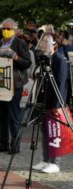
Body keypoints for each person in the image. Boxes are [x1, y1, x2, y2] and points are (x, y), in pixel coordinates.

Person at [0, 18, 31, 154]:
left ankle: (15, 145)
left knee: (14, 116)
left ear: (14, 30)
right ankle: (3, 144)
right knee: (1, 116)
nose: (5, 31)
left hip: (14, 84)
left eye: (8, 29)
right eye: (3, 29)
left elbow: (27, 63)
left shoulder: (20, 43)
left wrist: (16, 58)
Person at [32, 34, 69, 173]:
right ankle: (46, 159)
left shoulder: (60, 59)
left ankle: (55, 162)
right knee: (45, 130)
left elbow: (60, 83)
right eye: (43, 41)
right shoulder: (44, 59)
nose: (43, 44)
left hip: (55, 101)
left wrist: (57, 105)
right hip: (44, 100)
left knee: (55, 132)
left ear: (55, 45)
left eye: (46, 42)